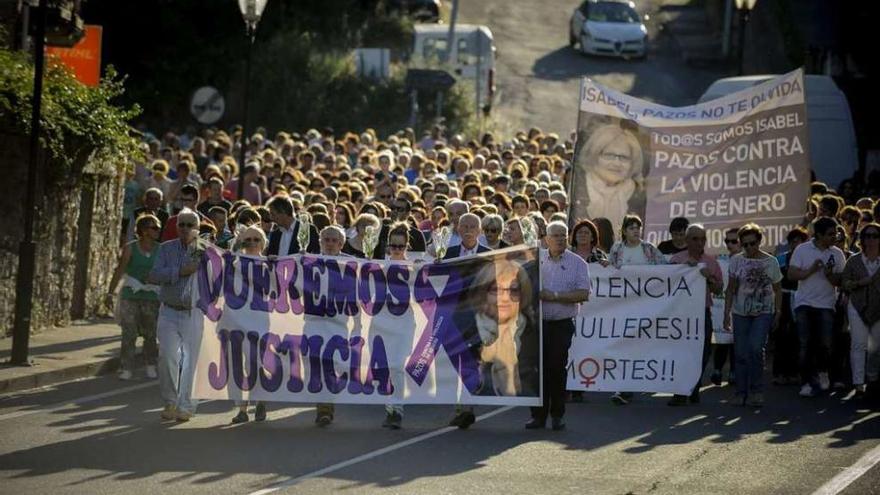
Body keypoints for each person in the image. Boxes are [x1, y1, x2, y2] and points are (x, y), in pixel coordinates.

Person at [526, 221, 590, 430]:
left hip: (562, 324)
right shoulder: (536, 260)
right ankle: (538, 415)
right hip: (538, 324)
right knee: (538, 370)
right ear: (547, 239)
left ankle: (557, 414)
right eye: (556, 235)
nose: (561, 239)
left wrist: (553, 296)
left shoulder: (578, 263)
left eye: (564, 235)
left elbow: (583, 294)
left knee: (556, 368)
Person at [147, 208, 204, 422]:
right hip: (169, 310)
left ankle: (187, 405)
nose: (185, 229)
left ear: (197, 227)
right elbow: (153, 275)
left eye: (190, 224)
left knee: (191, 361)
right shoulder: (166, 249)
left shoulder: (205, 250)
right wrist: (179, 271)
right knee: (167, 356)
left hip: (194, 313)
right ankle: (170, 401)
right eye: (182, 224)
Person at [722, 224, 783, 407]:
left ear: (759, 241)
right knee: (740, 353)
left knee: (755, 349)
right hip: (740, 312)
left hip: (763, 311)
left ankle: (757, 391)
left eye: (752, 243)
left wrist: (778, 312)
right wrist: (726, 314)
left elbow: (778, 289)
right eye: (745, 244)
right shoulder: (736, 261)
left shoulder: (771, 262)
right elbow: (731, 289)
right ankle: (741, 392)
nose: (749, 248)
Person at [607, 214, 665, 405]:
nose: (635, 230)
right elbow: (609, 272)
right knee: (624, 345)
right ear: (624, 230)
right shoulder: (617, 248)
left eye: (637, 227)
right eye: (631, 227)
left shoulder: (648, 249)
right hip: (622, 307)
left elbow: (666, 270)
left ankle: (631, 385)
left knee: (640, 345)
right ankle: (623, 388)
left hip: (645, 306)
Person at [665, 224, 724, 406]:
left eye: (702, 239)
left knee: (703, 351)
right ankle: (680, 392)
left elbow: (719, 288)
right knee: (680, 352)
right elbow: (667, 285)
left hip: (702, 312)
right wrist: (684, 269)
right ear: (687, 240)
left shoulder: (711, 262)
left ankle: (694, 386)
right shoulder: (677, 259)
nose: (700, 243)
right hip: (681, 314)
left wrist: (708, 277)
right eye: (695, 239)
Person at [788, 217, 846, 397]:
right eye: (830, 234)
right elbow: (791, 274)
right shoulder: (802, 249)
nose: (834, 237)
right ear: (819, 235)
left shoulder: (837, 253)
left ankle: (823, 373)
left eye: (835, 233)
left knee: (826, 343)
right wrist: (811, 270)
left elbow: (841, 281)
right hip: (804, 303)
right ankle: (805, 382)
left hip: (826, 304)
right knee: (805, 343)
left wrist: (829, 275)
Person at [445, 213, 492, 429]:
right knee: (456, 362)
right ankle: (462, 407)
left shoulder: (490, 255)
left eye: (473, 226)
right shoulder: (448, 253)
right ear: (458, 228)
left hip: (477, 318)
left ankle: (466, 408)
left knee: (472, 361)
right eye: (465, 225)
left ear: (480, 231)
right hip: (454, 318)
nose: (469, 229)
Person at [106, 214, 161, 380]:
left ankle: (150, 364)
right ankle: (126, 367)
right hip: (131, 293)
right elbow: (120, 269)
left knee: (150, 333)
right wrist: (110, 292)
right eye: (154, 228)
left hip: (152, 296)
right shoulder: (131, 248)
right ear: (144, 231)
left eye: (158, 227)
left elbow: (165, 272)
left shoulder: (161, 250)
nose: (158, 231)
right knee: (129, 332)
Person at [227, 224, 269, 423]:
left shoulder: (269, 265)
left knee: (256, 363)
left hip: (259, 320)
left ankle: (260, 401)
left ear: (263, 243)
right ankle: (242, 409)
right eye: (248, 240)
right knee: (237, 364)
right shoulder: (234, 264)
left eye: (256, 240)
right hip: (236, 319)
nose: (252, 243)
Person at [572, 123, 646, 230]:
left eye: (623, 157)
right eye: (609, 155)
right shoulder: (577, 185)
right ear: (595, 155)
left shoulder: (639, 196)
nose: (616, 163)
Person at [381, 223, 416, 429]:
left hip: (404, 322)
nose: (396, 249)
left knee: (398, 365)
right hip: (382, 322)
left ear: (407, 246)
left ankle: (398, 409)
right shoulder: (379, 265)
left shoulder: (413, 266)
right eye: (393, 245)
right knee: (387, 367)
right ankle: (389, 409)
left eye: (400, 246)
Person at [842, 223, 880, 398]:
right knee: (858, 344)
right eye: (867, 236)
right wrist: (859, 283)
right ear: (862, 239)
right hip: (857, 305)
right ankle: (858, 384)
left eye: (875, 236)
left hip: (878, 308)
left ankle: (872, 378)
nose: (871, 240)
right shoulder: (854, 261)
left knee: (876, 346)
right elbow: (845, 283)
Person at [772, 227, 809, 385]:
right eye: (793, 241)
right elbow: (775, 281)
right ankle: (779, 373)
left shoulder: (808, 260)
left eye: (799, 241)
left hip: (802, 298)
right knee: (781, 335)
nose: (796, 244)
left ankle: (794, 372)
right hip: (784, 297)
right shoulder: (781, 259)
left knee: (797, 336)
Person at [712, 227, 742, 386]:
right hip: (722, 306)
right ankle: (717, 370)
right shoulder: (720, 260)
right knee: (722, 340)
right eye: (727, 241)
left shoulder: (749, 261)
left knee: (735, 343)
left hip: (741, 308)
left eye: (733, 241)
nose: (729, 244)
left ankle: (733, 372)